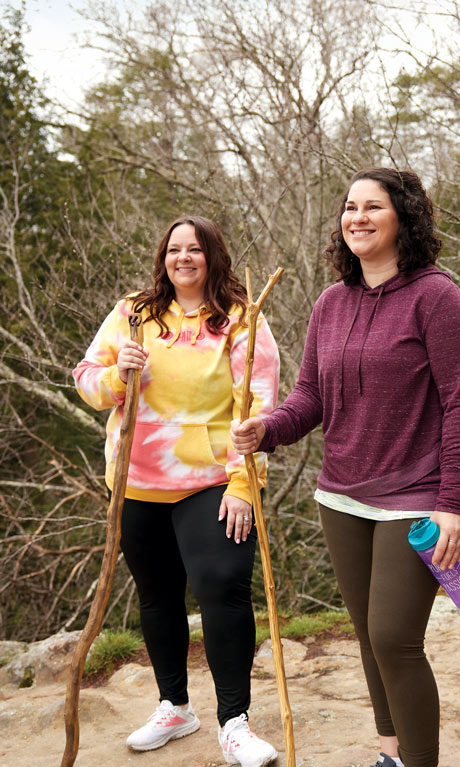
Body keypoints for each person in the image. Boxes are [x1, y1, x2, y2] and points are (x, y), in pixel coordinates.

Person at [231, 168, 460, 767]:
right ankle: (391, 754)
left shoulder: (436, 297)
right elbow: (311, 397)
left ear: (405, 218)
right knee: (370, 639)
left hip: (415, 498)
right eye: (350, 207)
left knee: (395, 638)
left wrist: (453, 504)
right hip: (341, 497)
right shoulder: (331, 303)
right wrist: (267, 429)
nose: (358, 218)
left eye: (374, 207)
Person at [73, 216, 280, 767]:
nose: (183, 258)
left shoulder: (240, 319)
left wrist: (244, 482)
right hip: (136, 483)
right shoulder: (132, 313)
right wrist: (121, 375)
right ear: (162, 256)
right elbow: (87, 380)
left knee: (222, 585)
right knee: (157, 595)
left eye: (194, 249)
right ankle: (173, 705)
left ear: (213, 256)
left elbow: (258, 406)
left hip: (211, 481)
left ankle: (234, 722)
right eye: (173, 249)